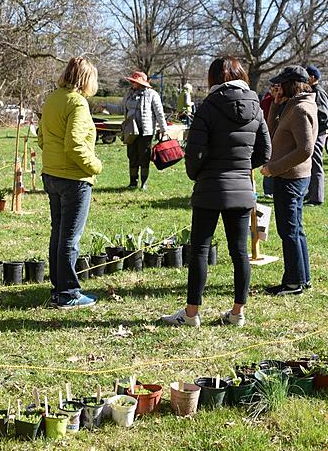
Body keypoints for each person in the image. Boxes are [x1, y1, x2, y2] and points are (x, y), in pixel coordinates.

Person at [160, 57, 271, 327]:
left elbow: (194, 153)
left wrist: (198, 173)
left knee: (199, 250)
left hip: (210, 187)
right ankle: (237, 312)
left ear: (213, 78)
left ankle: (191, 313)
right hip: (242, 189)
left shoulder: (208, 107)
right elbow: (265, 151)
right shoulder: (255, 106)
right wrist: (243, 167)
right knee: (240, 252)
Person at [37, 57, 102, 308]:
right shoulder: (77, 103)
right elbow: (74, 143)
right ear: (86, 79)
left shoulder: (53, 99)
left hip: (51, 175)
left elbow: (42, 136)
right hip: (73, 179)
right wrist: (95, 165)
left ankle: (58, 289)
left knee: (58, 233)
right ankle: (68, 293)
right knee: (70, 239)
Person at [260, 66, 317, 296]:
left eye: (280, 85)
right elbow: (273, 132)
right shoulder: (290, 105)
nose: (277, 88)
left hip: (291, 177)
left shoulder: (301, 108)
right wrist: (275, 102)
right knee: (296, 229)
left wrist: (273, 168)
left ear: (292, 84)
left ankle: (293, 283)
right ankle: (303, 278)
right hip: (289, 176)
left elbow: (305, 149)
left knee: (289, 231)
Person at [121, 70, 167, 190]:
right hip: (131, 130)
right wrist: (106, 106)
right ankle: (132, 182)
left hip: (145, 131)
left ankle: (143, 183)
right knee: (132, 155)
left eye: (135, 81)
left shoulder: (152, 94)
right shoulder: (129, 94)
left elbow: (159, 113)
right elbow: (121, 108)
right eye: (132, 81)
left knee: (144, 156)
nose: (133, 83)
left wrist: (163, 129)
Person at [305, 65, 328, 205]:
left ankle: (317, 198)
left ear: (313, 77)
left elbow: (323, 115)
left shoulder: (318, 92)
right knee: (310, 164)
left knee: (316, 165)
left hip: (317, 134)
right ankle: (311, 192)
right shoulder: (311, 91)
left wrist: (312, 128)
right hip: (312, 133)